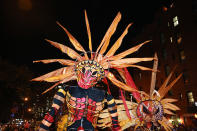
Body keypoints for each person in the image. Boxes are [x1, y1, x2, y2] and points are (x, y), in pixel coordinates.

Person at [32, 10, 153, 131]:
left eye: (94, 73)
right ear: (77, 71)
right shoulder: (65, 90)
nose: (87, 75)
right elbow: (52, 112)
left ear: (99, 77)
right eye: (85, 70)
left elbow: (115, 123)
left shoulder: (106, 96)